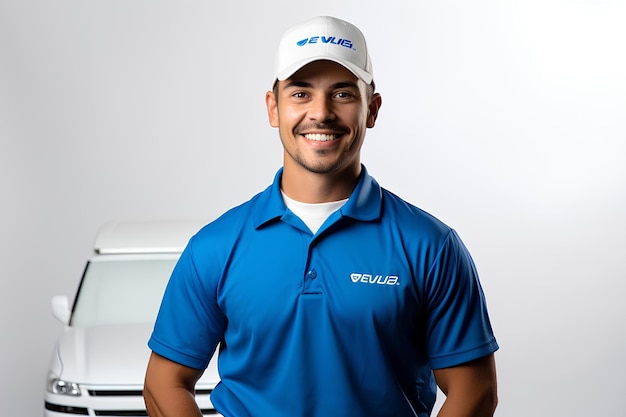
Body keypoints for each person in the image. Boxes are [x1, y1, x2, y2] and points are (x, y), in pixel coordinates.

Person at [143, 15, 498, 417]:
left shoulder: (430, 246)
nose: (321, 113)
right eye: (300, 93)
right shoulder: (215, 247)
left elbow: (475, 390)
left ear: (372, 109)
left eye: (343, 94)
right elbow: (165, 382)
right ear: (273, 108)